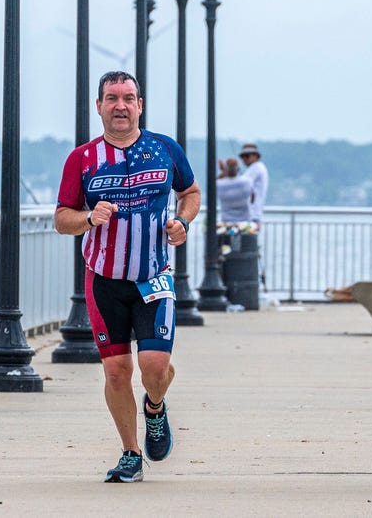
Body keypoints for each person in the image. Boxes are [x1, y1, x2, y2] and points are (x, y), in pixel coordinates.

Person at [54, 70, 201, 483]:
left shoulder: (164, 149)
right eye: (112, 98)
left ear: (140, 105)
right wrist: (87, 217)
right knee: (117, 371)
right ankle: (131, 453)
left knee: (155, 365)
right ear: (99, 106)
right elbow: (62, 219)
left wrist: (183, 223)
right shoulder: (82, 159)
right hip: (104, 280)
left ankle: (154, 407)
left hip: (153, 276)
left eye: (128, 98)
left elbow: (190, 193)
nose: (121, 105)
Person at [216, 156, 253, 223]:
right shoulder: (247, 182)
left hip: (226, 223)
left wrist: (223, 171)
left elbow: (212, 184)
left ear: (226, 169)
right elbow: (253, 199)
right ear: (238, 168)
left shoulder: (219, 184)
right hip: (245, 222)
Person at [238, 143, 269, 224]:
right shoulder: (258, 167)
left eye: (247, 156)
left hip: (251, 215)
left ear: (256, 156)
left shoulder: (256, 167)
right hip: (253, 215)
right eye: (242, 156)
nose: (244, 159)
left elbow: (240, 184)